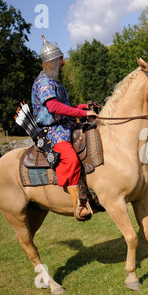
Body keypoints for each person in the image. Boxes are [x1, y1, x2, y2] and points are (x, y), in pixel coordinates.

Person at [32, 35, 98, 221]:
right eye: (60, 59)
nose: (63, 62)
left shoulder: (55, 82)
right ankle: (80, 206)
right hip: (53, 131)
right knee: (71, 160)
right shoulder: (44, 82)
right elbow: (54, 108)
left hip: (66, 125)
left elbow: (65, 107)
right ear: (51, 61)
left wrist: (85, 107)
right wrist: (83, 114)